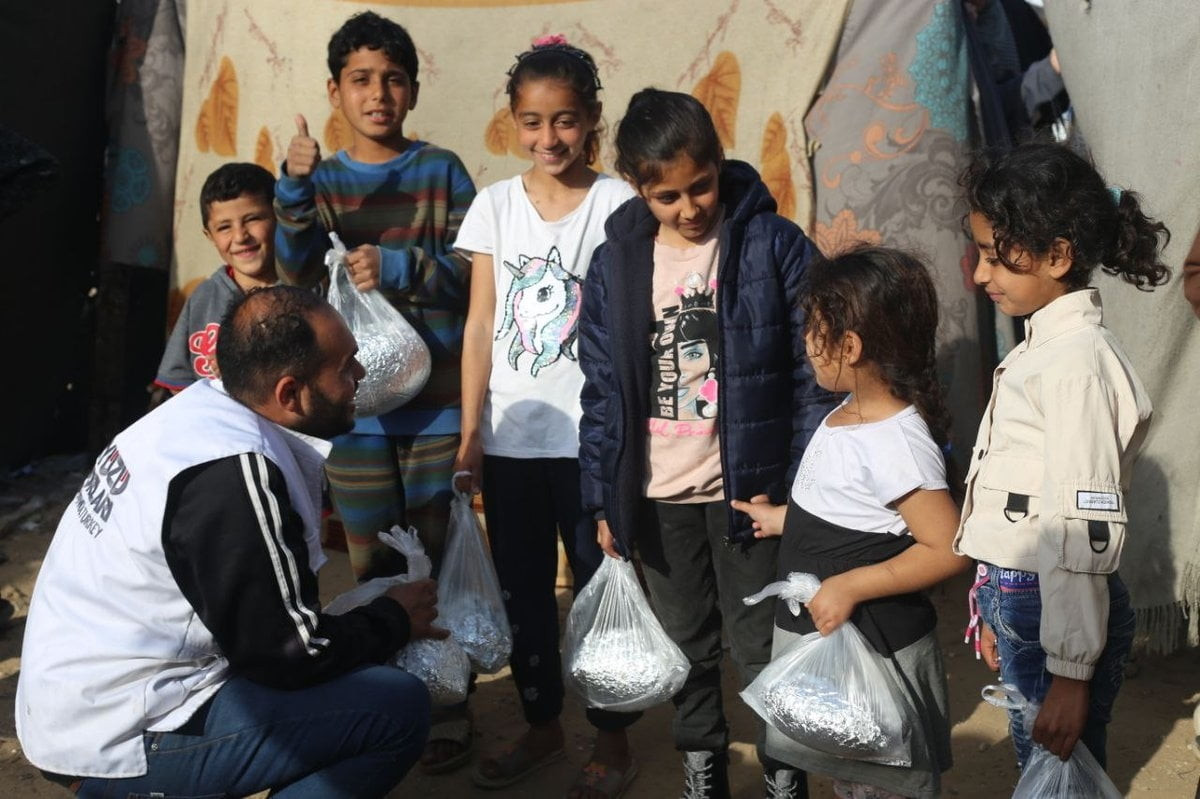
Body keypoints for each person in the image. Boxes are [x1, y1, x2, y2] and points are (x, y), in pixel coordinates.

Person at [16, 286, 446, 798]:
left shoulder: (197, 414)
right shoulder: (234, 472)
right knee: (395, 707)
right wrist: (394, 618)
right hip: (120, 734)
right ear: (290, 394)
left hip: (75, 706)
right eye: (346, 366)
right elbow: (291, 655)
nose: (359, 377)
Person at [578, 88, 837, 799]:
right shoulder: (616, 265)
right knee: (686, 642)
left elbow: (814, 373)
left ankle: (784, 769)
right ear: (637, 186)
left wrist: (801, 481)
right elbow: (601, 392)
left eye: (701, 186)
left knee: (763, 641)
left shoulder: (770, 242)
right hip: (657, 496)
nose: (689, 208)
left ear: (720, 165)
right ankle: (703, 765)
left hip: (752, 493)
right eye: (668, 196)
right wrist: (604, 496)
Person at [273, 11, 476, 772]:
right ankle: (386, 702)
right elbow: (292, 273)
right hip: (351, 414)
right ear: (335, 90)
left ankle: (450, 701)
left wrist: (399, 270)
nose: (378, 93)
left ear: (413, 89)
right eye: (360, 79)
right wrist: (292, 185)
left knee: (436, 557)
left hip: (433, 410)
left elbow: (474, 275)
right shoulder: (316, 182)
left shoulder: (444, 171)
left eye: (392, 78)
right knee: (369, 566)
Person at [451, 35, 637, 797]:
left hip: (593, 444)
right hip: (512, 442)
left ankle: (613, 735)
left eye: (564, 120)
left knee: (600, 589)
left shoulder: (619, 205)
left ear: (591, 119)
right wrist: (469, 434)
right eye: (532, 121)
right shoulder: (494, 206)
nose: (548, 138)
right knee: (525, 590)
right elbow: (479, 326)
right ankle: (540, 723)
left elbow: (633, 322)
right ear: (512, 123)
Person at [955, 142, 1170, 770]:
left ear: (1058, 256)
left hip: (1052, 608)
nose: (979, 275)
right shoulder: (1044, 350)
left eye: (996, 257)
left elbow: (1082, 526)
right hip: (1026, 600)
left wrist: (1072, 674)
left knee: (1060, 773)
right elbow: (1015, 496)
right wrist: (990, 597)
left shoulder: (1077, 366)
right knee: (1045, 769)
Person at [734, 247, 968, 799]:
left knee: (884, 779)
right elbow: (851, 512)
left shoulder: (896, 444)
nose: (806, 342)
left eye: (814, 329)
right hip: (840, 658)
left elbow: (948, 548)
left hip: (876, 650)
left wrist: (849, 585)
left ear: (850, 345)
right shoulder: (843, 416)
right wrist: (785, 520)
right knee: (853, 776)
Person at [154, 162, 278, 394]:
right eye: (224, 227)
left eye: (252, 219)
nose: (240, 236)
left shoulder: (301, 293)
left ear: (278, 217)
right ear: (209, 236)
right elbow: (179, 381)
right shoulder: (204, 297)